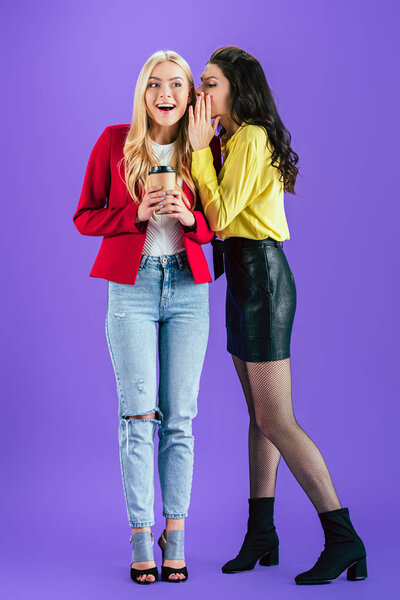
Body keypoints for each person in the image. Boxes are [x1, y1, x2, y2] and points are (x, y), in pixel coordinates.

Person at [188, 46, 367, 585]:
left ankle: (344, 538)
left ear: (237, 89)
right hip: (243, 279)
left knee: (276, 419)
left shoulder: (252, 137)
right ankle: (261, 535)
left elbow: (220, 219)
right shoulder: (232, 138)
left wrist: (199, 152)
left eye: (210, 83)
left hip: (263, 278)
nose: (201, 94)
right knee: (259, 416)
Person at [73, 50, 218, 584]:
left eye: (176, 85)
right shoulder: (115, 141)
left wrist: (191, 219)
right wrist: (134, 212)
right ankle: (140, 538)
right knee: (138, 418)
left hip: (186, 288)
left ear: (190, 95)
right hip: (131, 290)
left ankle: (174, 538)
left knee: (180, 418)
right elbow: (84, 215)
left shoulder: (203, 147)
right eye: (155, 84)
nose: (165, 94)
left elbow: (219, 226)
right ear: (143, 92)